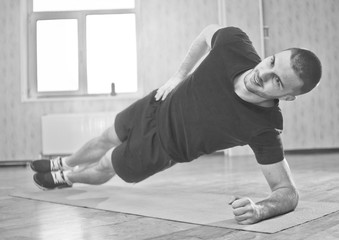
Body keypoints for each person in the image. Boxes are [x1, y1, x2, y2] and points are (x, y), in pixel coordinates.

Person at [30, 25, 322, 225]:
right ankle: (61, 162)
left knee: (106, 163)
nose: (263, 74)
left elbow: (288, 191)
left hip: (164, 148)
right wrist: (178, 76)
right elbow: (208, 33)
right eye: (271, 62)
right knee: (105, 136)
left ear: (288, 97)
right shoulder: (235, 44)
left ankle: (66, 177)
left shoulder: (265, 129)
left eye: (277, 81)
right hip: (157, 104)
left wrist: (261, 209)